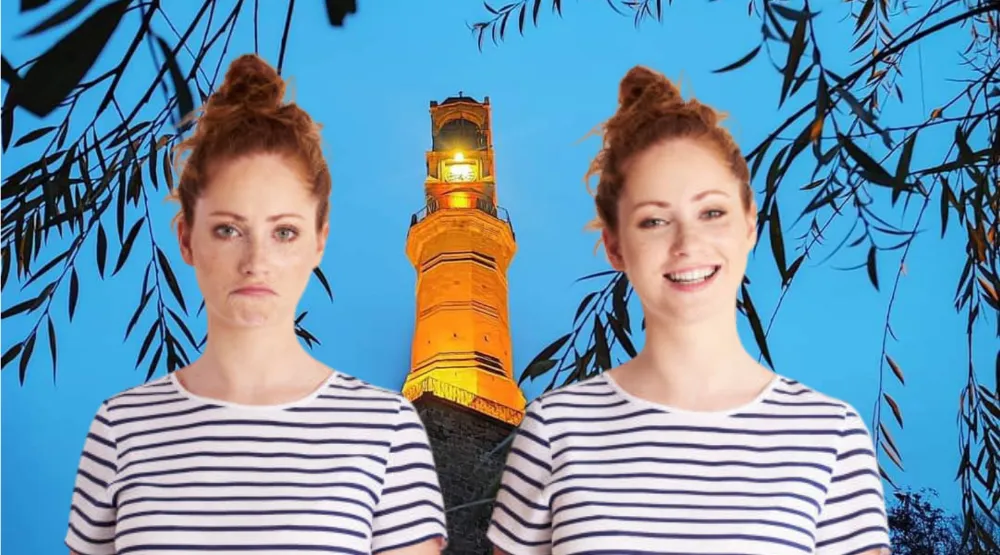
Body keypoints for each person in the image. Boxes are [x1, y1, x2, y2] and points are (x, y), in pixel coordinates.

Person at [487, 65, 891, 555]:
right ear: (615, 246)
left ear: (749, 224)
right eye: (654, 220)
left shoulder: (830, 435)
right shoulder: (555, 429)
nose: (687, 243)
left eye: (712, 212)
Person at [64, 54, 447, 555]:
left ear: (319, 242)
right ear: (186, 239)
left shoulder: (386, 428)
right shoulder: (122, 427)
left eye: (284, 232)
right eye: (228, 229)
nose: (256, 262)